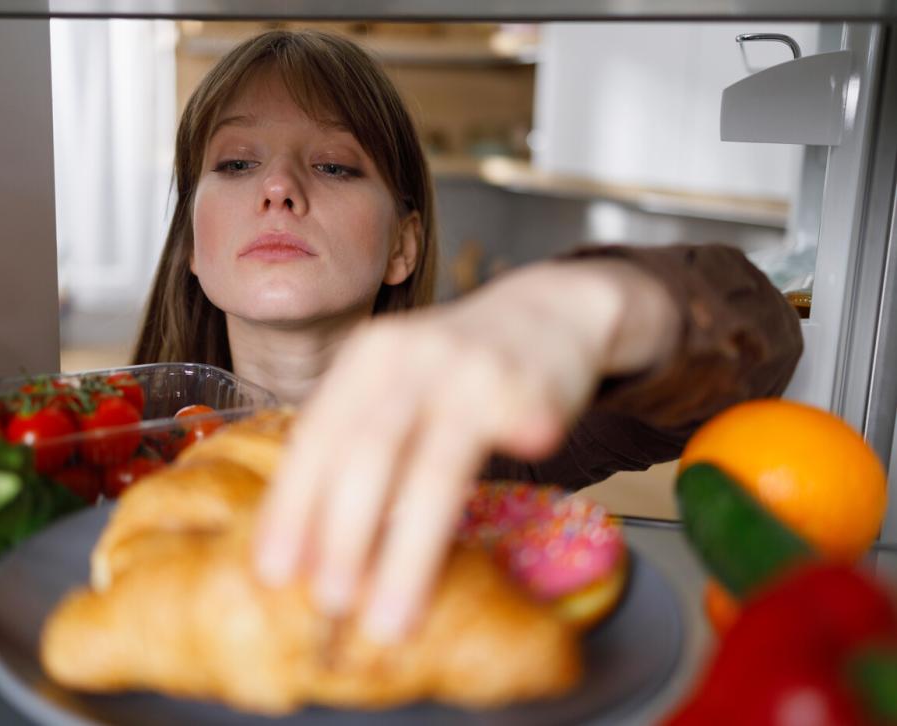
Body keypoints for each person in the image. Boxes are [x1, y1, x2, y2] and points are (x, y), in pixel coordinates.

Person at [133, 29, 803, 644]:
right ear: (192, 241)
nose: (278, 187)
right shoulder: (111, 442)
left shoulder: (493, 433)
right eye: (237, 163)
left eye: (334, 166)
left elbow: (763, 341)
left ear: (404, 245)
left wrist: (597, 309)